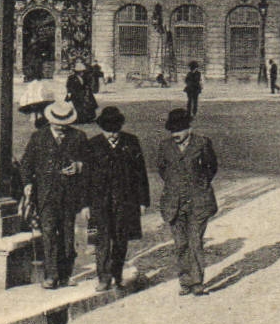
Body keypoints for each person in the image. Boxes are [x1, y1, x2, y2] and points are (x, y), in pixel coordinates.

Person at [20, 100, 87, 289]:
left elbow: (90, 162)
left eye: (65, 123)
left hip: (69, 194)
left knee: (67, 235)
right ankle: (51, 275)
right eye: (57, 123)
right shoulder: (38, 138)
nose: (61, 127)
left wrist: (78, 166)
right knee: (48, 233)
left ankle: (66, 273)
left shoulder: (78, 137)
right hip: (46, 194)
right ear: (50, 120)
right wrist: (27, 184)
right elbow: (26, 164)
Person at [84, 106, 149, 291]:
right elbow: (85, 178)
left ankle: (117, 274)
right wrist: (85, 204)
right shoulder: (93, 145)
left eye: (115, 130)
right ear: (102, 128)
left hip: (125, 201)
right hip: (99, 202)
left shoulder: (131, 142)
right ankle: (104, 278)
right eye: (108, 130)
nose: (112, 134)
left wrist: (143, 201)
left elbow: (140, 173)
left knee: (121, 239)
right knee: (102, 240)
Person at [157, 108, 218, 296]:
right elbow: (162, 170)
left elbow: (211, 167)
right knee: (181, 243)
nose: (175, 135)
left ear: (188, 129)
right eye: (172, 131)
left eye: (179, 131)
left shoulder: (202, 143)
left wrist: (199, 183)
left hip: (198, 201)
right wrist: (175, 185)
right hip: (174, 203)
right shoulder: (165, 146)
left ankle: (197, 282)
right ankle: (185, 281)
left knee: (195, 241)